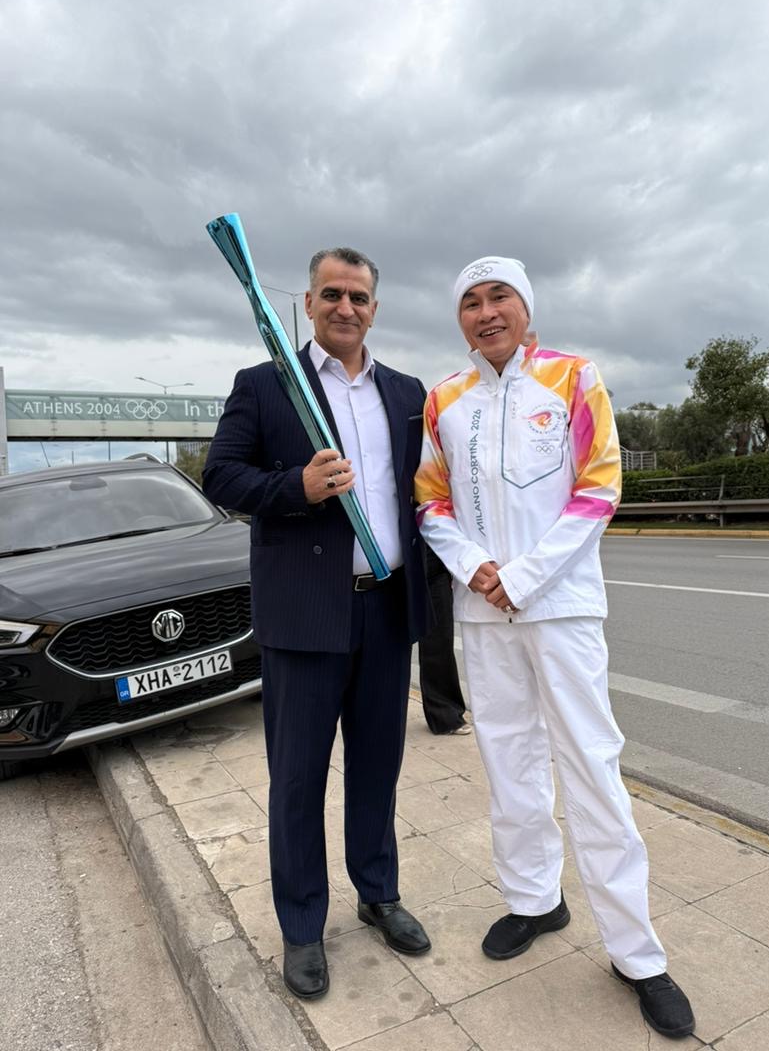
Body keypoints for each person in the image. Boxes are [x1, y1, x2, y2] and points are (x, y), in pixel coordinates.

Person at [414, 256, 694, 1040]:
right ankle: (534, 900)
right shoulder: (445, 399)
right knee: (510, 767)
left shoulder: (574, 378)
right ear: (460, 319)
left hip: (561, 608)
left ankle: (636, 954)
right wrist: (478, 571)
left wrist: (526, 577)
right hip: (483, 614)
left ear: (525, 307)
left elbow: (599, 487)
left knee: (592, 770)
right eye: (470, 302)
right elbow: (430, 500)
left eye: (499, 296)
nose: (485, 312)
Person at [203, 246, 432, 1001]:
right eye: (331, 294)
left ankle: (378, 893)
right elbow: (221, 476)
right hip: (304, 615)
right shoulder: (266, 384)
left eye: (358, 297)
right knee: (298, 778)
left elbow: (420, 493)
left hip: (385, 607)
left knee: (378, 766)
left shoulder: (406, 392)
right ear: (307, 304)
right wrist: (295, 488)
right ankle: (302, 926)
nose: (345, 307)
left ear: (375, 309)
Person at [417, 545, 470, 735]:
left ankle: (445, 715)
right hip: (395, 557)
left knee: (440, 638)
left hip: (434, 557)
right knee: (388, 641)